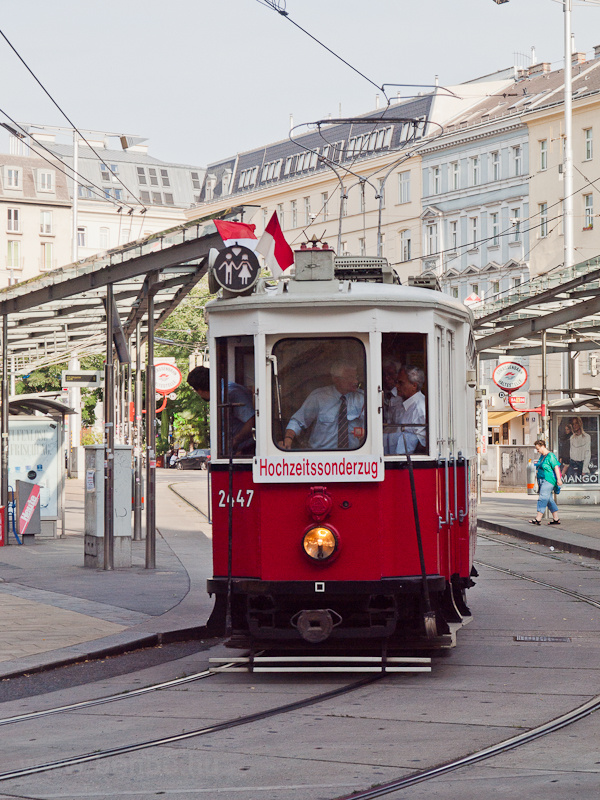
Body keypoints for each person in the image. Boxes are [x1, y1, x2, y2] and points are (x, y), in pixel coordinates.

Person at [282, 360, 365, 450]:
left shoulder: (363, 399)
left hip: (353, 456)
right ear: (336, 379)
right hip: (321, 457)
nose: (356, 381)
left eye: (356, 377)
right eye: (350, 377)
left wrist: (367, 432)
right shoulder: (318, 397)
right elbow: (298, 421)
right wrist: (288, 439)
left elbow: (375, 424)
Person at [186, 365, 255, 456]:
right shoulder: (221, 393)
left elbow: (252, 420)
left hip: (243, 451)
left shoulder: (230, 393)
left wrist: (234, 442)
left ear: (199, 390)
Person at [392, 365, 427, 455]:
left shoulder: (420, 408)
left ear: (414, 386)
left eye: (401, 383)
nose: (396, 386)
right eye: (397, 382)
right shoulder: (402, 403)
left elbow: (423, 444)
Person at [530, 438, 562, 525]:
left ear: (543, 446)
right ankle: (556, 519)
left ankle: (538, 518)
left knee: (542, 497)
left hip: (548, 480)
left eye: (538, 449)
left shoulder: (550, 456)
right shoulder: (542, 456)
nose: (537, 451)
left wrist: (559, 479)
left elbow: (556, 467)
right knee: (548, 499)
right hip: (541, 480)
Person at [566, 416, 591, 480]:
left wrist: (584, 469)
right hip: (572, 464)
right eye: (573, 424)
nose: (575, 425)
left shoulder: (587, 437)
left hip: (582, 464)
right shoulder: (572, 438)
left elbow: (587, 453)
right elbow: (571, 452)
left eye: (576, 423)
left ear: (580, 424)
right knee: (571, 483)